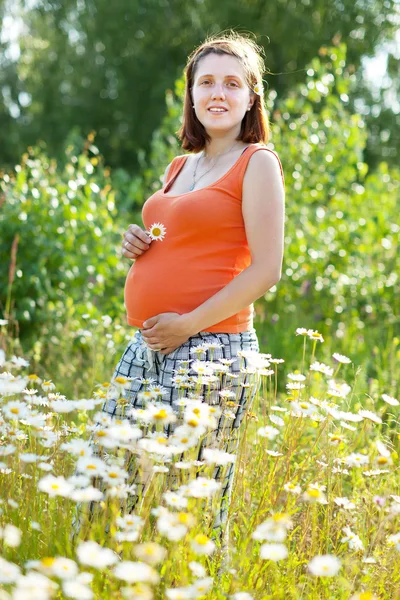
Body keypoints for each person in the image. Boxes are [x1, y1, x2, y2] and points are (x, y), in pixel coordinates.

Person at [100, 31, 285, 566]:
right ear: (191, 94)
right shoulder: (179, 168)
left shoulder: (258, 164)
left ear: (252, 97)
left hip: (213, 352)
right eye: (206, 82)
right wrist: (138, 243)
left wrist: (189, 324)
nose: (218, 93)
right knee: (108, 479)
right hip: (149, 344)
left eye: (232, 83)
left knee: (194, 499)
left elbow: (267, 270)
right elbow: (172, 243)